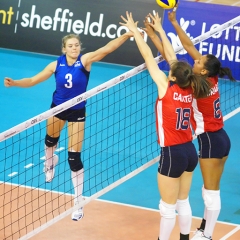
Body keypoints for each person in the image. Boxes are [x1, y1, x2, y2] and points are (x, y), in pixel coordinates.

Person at [4, 31, 133, 221]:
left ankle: (78, 203)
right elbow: (33, 80)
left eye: (77, 45)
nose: (74, 48)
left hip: (77, 113)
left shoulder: (85, 61)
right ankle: (50, 162)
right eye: (70, 46)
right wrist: (15, 83)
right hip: (57, 109)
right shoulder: (56, 64)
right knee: (49, 142)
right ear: (64, 48)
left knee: (74, 158)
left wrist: (126, 35)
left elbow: (107, 49)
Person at [120, 11, 211, 240]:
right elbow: (172, 57)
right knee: (183, 201)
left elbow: (148, 56)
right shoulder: (190, 85)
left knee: (167, 207)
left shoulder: (165, 87)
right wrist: (160, 30)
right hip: (190, 150)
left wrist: (136, 32)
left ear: (171, 77)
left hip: (171, 153)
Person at [167, 6, 235, 240]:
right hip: (222, 139)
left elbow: (174, 61)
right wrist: (174, 23)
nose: (195, 61)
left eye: (198, 62)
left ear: (203, 70)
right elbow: (188, 47)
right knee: (209, 190)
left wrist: (158, 37)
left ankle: (206, 235)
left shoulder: (197, 86)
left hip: (210, 141)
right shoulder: (211, 77)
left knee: (210, 193)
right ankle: (204, 229)